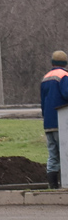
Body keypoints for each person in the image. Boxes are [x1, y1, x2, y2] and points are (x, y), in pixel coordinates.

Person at [40, 50, 68, 189]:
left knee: (52, 155)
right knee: (65, 154)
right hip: (62, 123)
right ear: (65, 63)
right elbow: (66, 94)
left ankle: (53, 186)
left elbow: (43, 103)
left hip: (48, 123)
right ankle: (65, 185)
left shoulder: (46, 77)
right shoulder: (64, 76)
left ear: (52, 62)